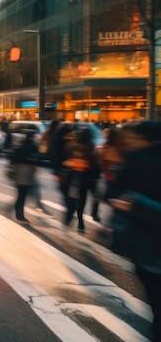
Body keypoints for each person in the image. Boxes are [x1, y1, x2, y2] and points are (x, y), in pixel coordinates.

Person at [107, 121, 161, 342]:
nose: (129, 139)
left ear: (144, 139)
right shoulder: (135, 158)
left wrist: (132, 205)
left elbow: (113, 192)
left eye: (134, 136)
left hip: (148, 245)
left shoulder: (137, 161)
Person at [61, 128, 96, 232]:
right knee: (82, 199)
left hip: (72, 174)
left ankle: (68, 218)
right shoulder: (90, 146)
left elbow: (65, 157)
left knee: (72, 198)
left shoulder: (71, 145)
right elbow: (93, 161)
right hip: (85, 175)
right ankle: (80, 222)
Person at [10, 131, 39, 223]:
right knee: (23, 194)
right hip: (26, 171)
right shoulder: (32, 146)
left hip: (19, 170)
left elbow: (13, 158)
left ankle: (17, 211)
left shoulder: (21, 145)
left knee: (21, 194)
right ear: (32, 137)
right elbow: (36, 158)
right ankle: (19, 214)